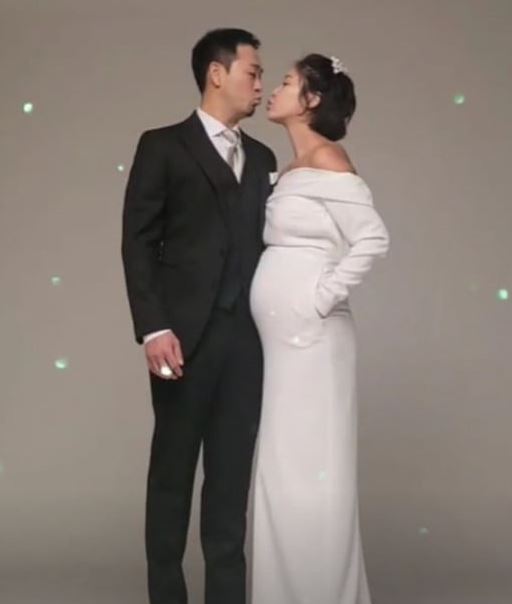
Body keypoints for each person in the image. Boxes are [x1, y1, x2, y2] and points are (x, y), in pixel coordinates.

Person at [121, 28, 276, 604]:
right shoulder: (162, 146)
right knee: (172, 476)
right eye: (252, 73)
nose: (260, 85)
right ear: (217, 73)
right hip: (180, 341)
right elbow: (139, 242)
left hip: (248, 344)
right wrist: (154, 327)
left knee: (230, 483)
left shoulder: (263, 158)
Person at [250, 53, 390, 604]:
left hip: (314, 342)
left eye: (286, 83)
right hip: (282, 347)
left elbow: (372, 238)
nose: (273, 90)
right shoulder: (287, 168)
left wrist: (320, 298)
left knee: (314, 471)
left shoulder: (330, 158)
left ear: (310, 100)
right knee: (282, 469)